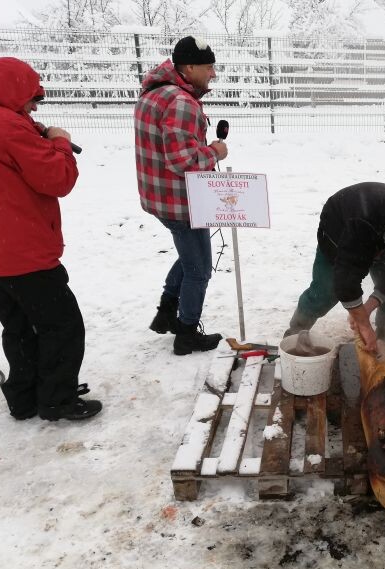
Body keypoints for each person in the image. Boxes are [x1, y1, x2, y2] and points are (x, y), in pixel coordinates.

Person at [0, 57, 102, 421]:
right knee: (61, 326)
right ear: (14, 92)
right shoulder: (9, 127)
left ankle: (25, 395)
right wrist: (60, 143)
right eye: (32, 98)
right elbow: (57, 179)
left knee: (18, 326)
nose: (34, 106)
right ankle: (57, 400)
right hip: (23, 251)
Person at [134, 35, 228, 355]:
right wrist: (214, 152)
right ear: (189, 67)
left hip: (159, 198)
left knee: (191, 258)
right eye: (209, 66)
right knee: (199, 268)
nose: (213, 73)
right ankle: (186, 332)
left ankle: (166, 311)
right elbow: (182, 160)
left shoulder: (154, 94)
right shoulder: (182, 102)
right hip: (183, 202)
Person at [284, 182, 385, 353]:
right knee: (326, 291)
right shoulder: (363, 223)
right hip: (339, 232)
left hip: (381, 238)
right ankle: (294, 334)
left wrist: (369, 305)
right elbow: (346, 282)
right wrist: (363, 324)